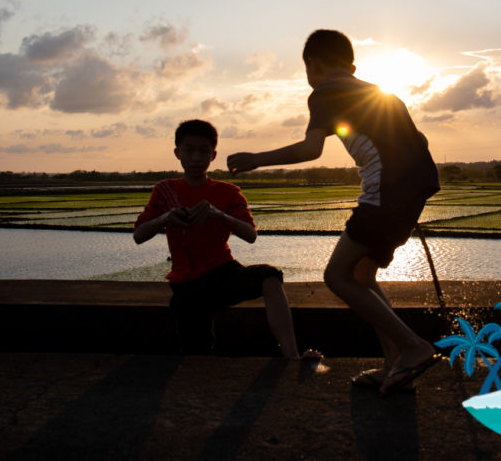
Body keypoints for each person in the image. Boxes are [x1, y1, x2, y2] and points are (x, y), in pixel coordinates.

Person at [228, 29, 441, 393]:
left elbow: (312, 150)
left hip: (385, 191)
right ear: (352, 64)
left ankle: (413, 347)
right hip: (415, 189)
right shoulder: (381, 93)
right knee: (362, 275)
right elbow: (418, 141)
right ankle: (395, 366)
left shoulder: (324, 93)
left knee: (337, 277)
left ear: (313, 64)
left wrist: (256, 160)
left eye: (307, 70)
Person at [134, 119, 318, 360]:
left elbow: (250, 235)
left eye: (204, 151)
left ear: (213, 155)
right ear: (178, 153)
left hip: (223, 273)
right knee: (196, 354)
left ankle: (292, 355)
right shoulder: (165, 190)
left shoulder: (228, 192)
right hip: (186, 283)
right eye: (189, 151)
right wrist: (165, 218)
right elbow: (139, 235)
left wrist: (218, 214)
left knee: (270, 277)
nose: (196, 158)